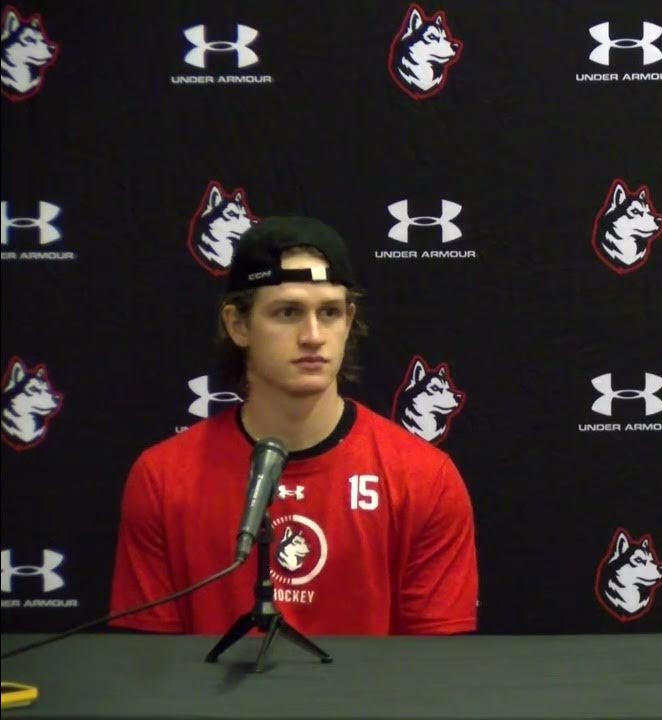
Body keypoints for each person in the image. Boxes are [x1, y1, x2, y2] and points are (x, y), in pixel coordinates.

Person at [110, 217, 478, 635]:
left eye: (330, 312)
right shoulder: (163, 478)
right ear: (238, 325)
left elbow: (436, 675)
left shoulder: (425, 479)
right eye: (287, 312)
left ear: (348, 320)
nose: (313, 335)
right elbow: (146, 670)